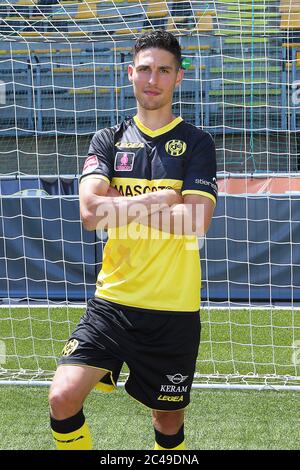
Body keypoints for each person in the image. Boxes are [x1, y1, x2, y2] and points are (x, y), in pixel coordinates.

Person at [48, 30, 217, 451]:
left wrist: (118, 204)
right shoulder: (107, 140)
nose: (152, 78)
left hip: (173, 309)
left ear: (179, 77)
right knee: (62, 397)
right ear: (130, 74)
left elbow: (196, 220)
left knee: (167, 418)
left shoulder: (197, 143)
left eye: (163, 70)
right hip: (112, 301)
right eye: (144, 69)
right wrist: (162, 197)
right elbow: (90, 214)